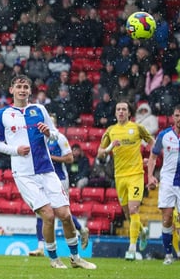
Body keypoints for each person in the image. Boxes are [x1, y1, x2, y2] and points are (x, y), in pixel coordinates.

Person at [0, 75, 96, 269]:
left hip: (47, 170)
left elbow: (55, 134)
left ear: (30, 91)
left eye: (26, 87)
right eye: (19, 87)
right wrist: (15, 150)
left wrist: (49, 134)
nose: (22, 90)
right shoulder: (3, 114)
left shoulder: (39, 109)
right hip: (24, 174)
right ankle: (54, 258)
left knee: (65, 215)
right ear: (11, 90)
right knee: (48, 215)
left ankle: (75, 258)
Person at [97, 100, 154, 260]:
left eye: (124, 109)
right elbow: (99, 153)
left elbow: (152, 143)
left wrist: (150, 160)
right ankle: (142, 231)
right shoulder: (110, 131)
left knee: (134, 209)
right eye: (118, 109)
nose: (121, 112)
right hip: (119, 176)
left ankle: (132, 248)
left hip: (135, 174)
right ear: (115, 113)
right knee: (128, 214)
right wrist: (109, 148)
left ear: (129, 113)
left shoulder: (137, 128)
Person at [29, 128, 89, 256]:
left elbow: (69, 158)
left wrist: (50, 157)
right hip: (41, 179)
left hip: (59, 178)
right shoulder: (36, 139)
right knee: (41, 211)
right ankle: (40, 247)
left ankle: (81, 230)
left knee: (61, 212)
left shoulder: (59, 138)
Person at [147, 105, 180, 265]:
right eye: (177, 115)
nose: (179, 119)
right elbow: (153, 157)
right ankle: (168, 255)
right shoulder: (164, 135)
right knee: (167, 218)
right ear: (173, 117)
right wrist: (151, 176)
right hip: (167, 180)